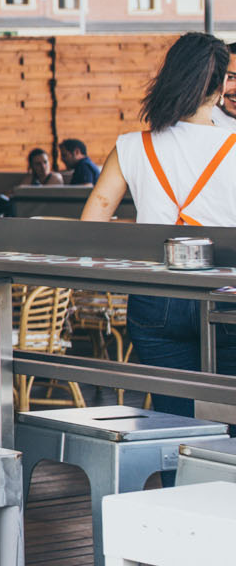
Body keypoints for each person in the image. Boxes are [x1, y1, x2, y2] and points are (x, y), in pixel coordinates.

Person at [81, 32, 236, 414]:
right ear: (220, 88)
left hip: (155, 297)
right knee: (231, 415)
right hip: (227, 293)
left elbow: (91, 225)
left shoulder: (132, 146)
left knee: (173, 417)